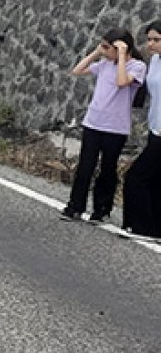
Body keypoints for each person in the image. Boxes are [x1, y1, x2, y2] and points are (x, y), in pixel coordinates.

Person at [61, 28, 146, 222]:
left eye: (108, 47)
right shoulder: (104, 64)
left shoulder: (137, 66)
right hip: (93, 123)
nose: (105, 50)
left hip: (115, 127)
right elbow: (77, 70)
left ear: (121, 47)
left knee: (108, 168)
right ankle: (75, 206)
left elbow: (122, 82)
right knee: (85, 166)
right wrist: (96, 53)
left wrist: (122, 56)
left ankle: (102, 209)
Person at [123, 21, 161, 239]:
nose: (151, 44)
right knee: (155, 180)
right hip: (155, 127)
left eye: (156, 40)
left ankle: (142, 227)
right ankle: (155, 228)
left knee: (137, 177)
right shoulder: (154, 61)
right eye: (149, 39)